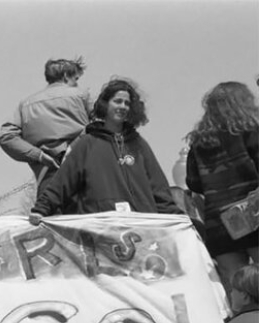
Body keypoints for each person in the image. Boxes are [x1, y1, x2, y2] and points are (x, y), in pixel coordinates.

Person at [30, 78, 181, 222]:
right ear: (106, 105)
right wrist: (41, 209)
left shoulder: (139, 145)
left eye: (127, 103)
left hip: (142, 229)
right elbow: (62, 183)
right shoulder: (86, 144)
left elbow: (159, 189)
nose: (122, 106)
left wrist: (178, 219)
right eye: (117, 101)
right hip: (101, 231)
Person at [186, 81, 258, 294]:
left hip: (220, 224)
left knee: (237, 287)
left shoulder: (199, 142)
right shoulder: (251, 131)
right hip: (253, 215)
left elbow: (193, 182)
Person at [0, 57, 91, 191]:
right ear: (65, 76)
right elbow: (99, 125)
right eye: (75, 79)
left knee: (46, 210)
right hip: (84, 171)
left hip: (47, 177)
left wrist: (39, 155)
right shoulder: (81, 95)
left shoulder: (25, 104)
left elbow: (6, 137)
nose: (76, 84)